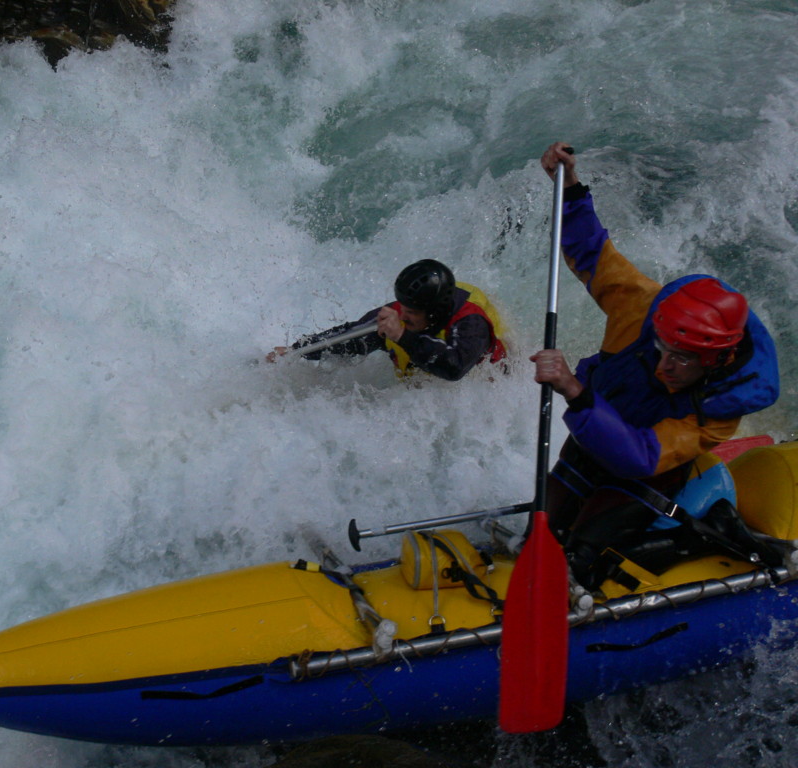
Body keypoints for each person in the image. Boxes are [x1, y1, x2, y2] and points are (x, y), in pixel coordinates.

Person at [531, 142, 780, 590]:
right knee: (540, 528)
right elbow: (591, 250)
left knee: (581, 555)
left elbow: (641, 455)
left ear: (715, 360)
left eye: (681, 358)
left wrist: (574, 391)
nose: (664, 365)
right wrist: (568, 187)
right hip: (591, 439)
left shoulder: (722, 406)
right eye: (660, 348)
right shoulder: (642, 307)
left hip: (644, 473)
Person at [268, 259, 507, 381]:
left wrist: (403, 337)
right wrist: (296, 351)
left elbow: (455, 369)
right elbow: (350, 338)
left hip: (485, 377)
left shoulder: (471, 323)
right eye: (403, 307)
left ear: (434, 312)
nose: (402, 316)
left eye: (411, 312)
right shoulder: (400, 313)